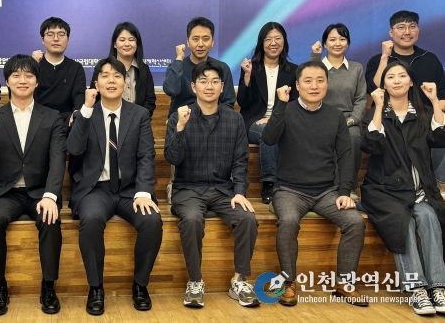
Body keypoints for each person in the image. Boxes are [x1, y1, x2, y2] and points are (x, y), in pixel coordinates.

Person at [262, 60, 367, 307]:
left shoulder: (335, 116)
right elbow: (268, 138)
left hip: (326, 191)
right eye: (307, 81)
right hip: (289, 190)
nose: (314, 86)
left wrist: (345, 191)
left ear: (327, 85)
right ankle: (288, 282)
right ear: (297, 85)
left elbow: (345, 155)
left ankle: (344, 284)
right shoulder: (286, 110)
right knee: (288, 220)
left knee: (354, 221)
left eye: (320, 80)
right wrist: (280, 104)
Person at [67, 57, 162, 316]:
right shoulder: (84, 113)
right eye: (105, 75)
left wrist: (143, 191)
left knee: (152, 220)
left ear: (125, 82)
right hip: (96, 189)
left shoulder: (139, 114)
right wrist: (86, 111)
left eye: (117, 76)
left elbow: (146, 156)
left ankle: (140, 285)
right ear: (96, 83)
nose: (111, 80)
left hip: (130, 190)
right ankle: (96, 288)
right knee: (91, 219)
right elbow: (73, 149)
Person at [0, 55, 66, 316]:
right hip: (5, 192)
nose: (22, 80)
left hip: (40, 192)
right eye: (16, 75)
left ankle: (48, 286)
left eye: (28, 75)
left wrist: (50, 195)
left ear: (37, 82)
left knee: (50, 220)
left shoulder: (52, 117)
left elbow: (58, 159)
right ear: (7, 81)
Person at [165, 61, 259, 308]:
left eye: (215, 81)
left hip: (222, 190)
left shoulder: (234, 119)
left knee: (247, 218)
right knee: (192, 219)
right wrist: (180, 128)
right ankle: (195, 281)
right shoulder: (179, 116)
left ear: (222, 87)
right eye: (203, 81)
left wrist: (239, 192)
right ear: (193, 86)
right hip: (187, 189)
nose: (209, 86)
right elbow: (172, 158)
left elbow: (240, 161)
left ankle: (239, 280)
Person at [361, 61, 445, 316]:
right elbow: (371, 144)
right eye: (391, 77)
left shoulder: (422, 114)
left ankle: (438, 286)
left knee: (428, 215)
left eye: (402, 76)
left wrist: (434, 101)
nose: (396, 80)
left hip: (418, 192)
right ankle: (416, 288)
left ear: (411, 82)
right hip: (384, 191)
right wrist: (378, 107)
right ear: (384, 85)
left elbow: (440, 137)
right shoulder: (376, 114)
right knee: (402, 220)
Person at [364, 10, 445, 182]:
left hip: (425, 121)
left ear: (418, 30)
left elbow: (443, 97)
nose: (407, 32)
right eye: (401, 27)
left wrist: (428, 114)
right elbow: (374, 89)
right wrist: (385, 57)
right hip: (390, 120)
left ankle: (439, 183)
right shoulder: (377, 60)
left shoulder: (430, 59)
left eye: (412, 27)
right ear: (391, 32)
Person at [237, 22, 298, 204]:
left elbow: (295, 103)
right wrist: (247, 77)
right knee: (268, 132)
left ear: (284, 42)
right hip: (255, 122)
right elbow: (243, 102)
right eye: (268, 39)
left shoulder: (293, 70)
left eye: (277, 38)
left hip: (283, 120)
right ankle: (269, 183)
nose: (273, 43)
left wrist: (275, 117)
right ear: (261, 43)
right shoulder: (251, 67)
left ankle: (296, 185)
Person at [310, 23, 367, 184]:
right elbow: (309, 90)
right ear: (325, 44)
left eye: (342, 39)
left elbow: (361, 99)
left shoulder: (356, 68)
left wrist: (352, 119)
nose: (337, 43)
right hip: (320, 117)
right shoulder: (318, 66)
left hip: (348, 119)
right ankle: (323, 186)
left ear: (348, 43)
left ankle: (348, 186)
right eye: (332, 39)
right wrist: (315, 58)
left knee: (353, 137)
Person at [163, 16, 235, 118]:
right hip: (182, 120)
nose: (200, 44)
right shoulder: (177, 66)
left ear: (212, 42)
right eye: (195, 39)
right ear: (188, 42)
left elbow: (228, 103)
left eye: (206, 39)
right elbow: (171, 90)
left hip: (213, 121)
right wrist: (179, 58)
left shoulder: (222, 68)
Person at [90, 22, 156, 117]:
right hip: (108, 120)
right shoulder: (103, 67)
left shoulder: (144, 69)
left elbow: (150, 101)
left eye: (131, 39)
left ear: (137, 44)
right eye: (122, 40)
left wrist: (139, 120)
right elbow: (94, 97)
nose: (127, 44)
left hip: (138, 121)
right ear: (115, 44)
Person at [32, 17, 86, 121]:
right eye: (50, 34)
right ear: (43, 40)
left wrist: (75, 115)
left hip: (67, 122)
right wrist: (32, 66)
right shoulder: (34, 65)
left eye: (61, 34)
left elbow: (79, 96)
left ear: (68, 39)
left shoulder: (76, 68)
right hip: (38, 120)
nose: (56, 39)